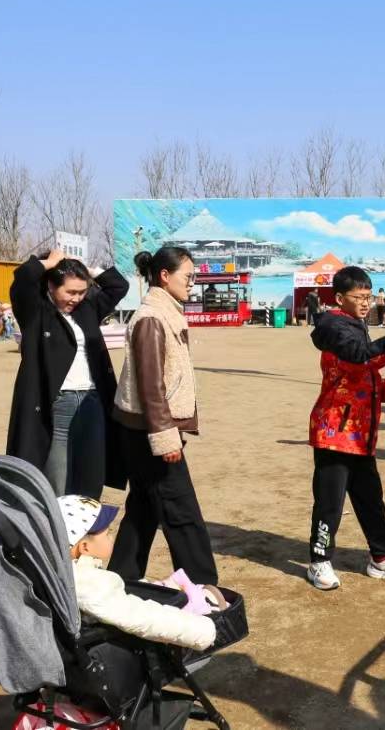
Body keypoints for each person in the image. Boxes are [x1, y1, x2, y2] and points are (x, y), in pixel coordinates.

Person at [306, 265, 385, 591]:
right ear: (340, 298)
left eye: (369, 297)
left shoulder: (356, 327)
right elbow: (360, 359)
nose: (365, 303)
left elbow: (365, 379)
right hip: (334, 433)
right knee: (330, 504)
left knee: (371, 500)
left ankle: (381, 559)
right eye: (358, 297)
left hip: (360, 435)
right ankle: (319, 561)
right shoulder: (333, 328)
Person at [110, 247, 219, 586]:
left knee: (143, 509)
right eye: (188, 276)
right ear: (164, 276)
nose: (192, 283)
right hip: (151, 433)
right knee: (181, 510)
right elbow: (150, 386)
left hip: (145, 430)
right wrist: (165, 437)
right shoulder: (152, 319)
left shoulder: (163, 312)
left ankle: (120, 579)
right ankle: (203, 587)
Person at [8, 249, 129, 498]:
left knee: (91, 469)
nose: (76, 298)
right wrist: (48, 263)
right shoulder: (35, 312)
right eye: (70, 292)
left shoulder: (88, 309)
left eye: (82, 291)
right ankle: (57, 532)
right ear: (51, 286)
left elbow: (118, 286)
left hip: (92, 399)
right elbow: (22, 279)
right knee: (57, 474)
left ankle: (85, 526)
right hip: (57, 402)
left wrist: (88, 269)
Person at [59, 496, 217, 651]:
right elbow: (139, 617)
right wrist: (203, 630)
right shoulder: (88, 583)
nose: (111, 537)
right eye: (107, 534)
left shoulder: (60, 570)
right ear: (85, 547)